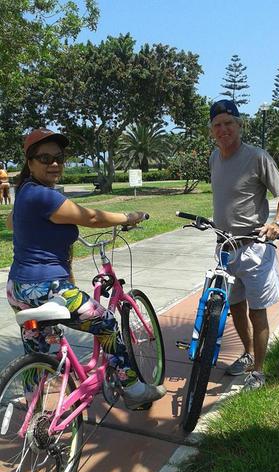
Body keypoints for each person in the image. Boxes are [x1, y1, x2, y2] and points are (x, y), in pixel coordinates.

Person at [6, 127, 166, 409]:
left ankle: (33, 402)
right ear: (29, 162)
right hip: (46, 287)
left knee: (38, 344)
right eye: (44, 158)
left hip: (18, 288)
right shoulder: (43, 196)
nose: (54, 164)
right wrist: (128, 216)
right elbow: (90, 217)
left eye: (59, 158)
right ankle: (132, 387)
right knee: (106, 323)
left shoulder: (26, 193)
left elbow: (11, 222)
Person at [209, 100, 279, 390]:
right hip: (225, 248)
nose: (224, 129)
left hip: (255, 248)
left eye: (229, 123)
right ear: (212, 130)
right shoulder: (214, 158)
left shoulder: (257, 157)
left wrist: (277, 224)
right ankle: (247, 354)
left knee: (257, 312)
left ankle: (258, 371)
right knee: (234, 307)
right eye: (218, 125)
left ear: (239, 125)